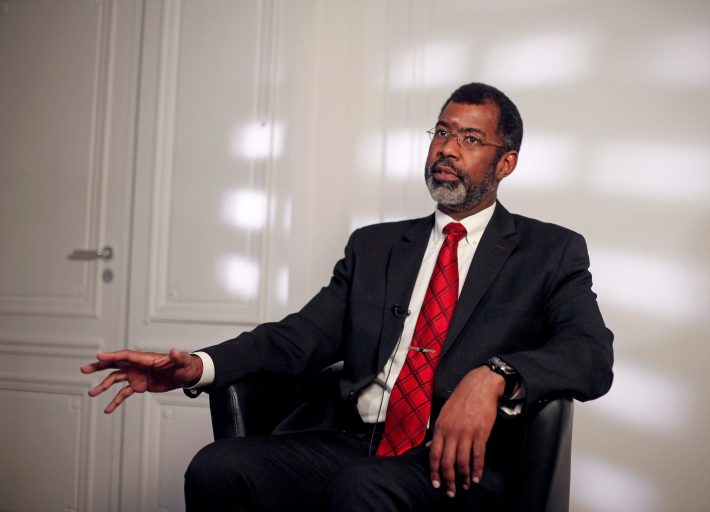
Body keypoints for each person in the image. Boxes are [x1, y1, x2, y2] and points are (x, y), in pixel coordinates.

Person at [82, 82, 613, 511]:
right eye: (442, 132)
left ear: (507, 163)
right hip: (357, 440)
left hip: (457, 461)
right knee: (217, 467)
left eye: (471, 139)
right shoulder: (376, 246)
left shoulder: (550, 251)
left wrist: (495, 374)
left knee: (363, 488)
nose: (448, 149)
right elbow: (300, 338)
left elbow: (591, 354)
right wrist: (197, 367)